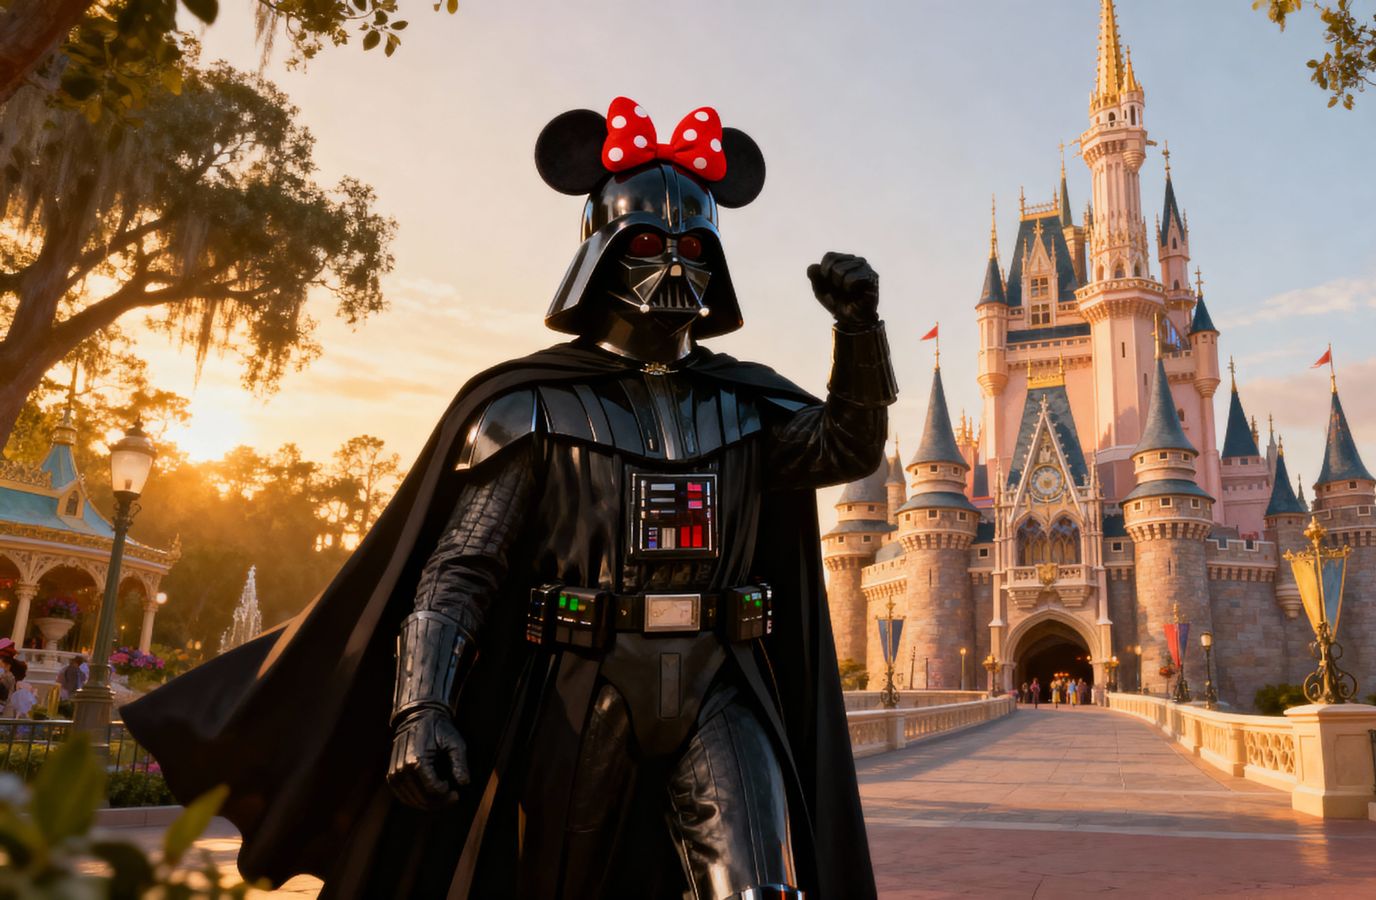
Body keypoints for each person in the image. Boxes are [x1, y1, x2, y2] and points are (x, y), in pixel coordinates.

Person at [125, 97, 892, 899]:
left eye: (693, 246)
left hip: (721, 681)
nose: (673, 266)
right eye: (646, 245)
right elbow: (462, 569)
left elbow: (848, 447)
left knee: (761, 890)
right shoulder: (528, 407)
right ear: (600, 254)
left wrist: (860, 333)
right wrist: (421, 704)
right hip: (580, 684)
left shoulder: (747, 403)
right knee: (557, 886)